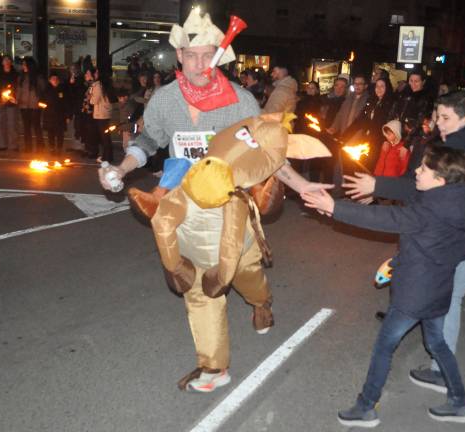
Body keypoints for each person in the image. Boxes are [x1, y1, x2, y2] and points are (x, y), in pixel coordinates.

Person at [97, 8, 331, 392]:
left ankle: (262, 302)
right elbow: (148, 141)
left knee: (243, 272)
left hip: (230, 204)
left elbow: (268, 153)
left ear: (219, 56)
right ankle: (214, 368)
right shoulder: (164, 100)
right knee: (199, 286)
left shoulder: (240, 102)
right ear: (180, 57)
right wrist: (120, 170)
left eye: (208, 55)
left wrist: (302, 186)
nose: (200, 63)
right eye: (192, 56)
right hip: (185, 205)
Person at [343, 91, 465, 386]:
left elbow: (424, 187)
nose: (439, 124)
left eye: (446, 118)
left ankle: (440, 369)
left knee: (450, 296)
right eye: (437, 116)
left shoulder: (458, 146)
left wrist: (377, 184)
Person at [302, 146, 465, 426]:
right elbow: (460, 247)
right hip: (439, 284)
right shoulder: (460, 200)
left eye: (423, 169)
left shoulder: (432, 210)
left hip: (415, 292)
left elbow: (386, 219)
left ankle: (366, 406)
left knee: (385, 346)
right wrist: (407, 257)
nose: (417, 171)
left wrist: (334, 206)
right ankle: (459, 402)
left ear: (441, 180)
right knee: (437, 343)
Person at [16, 57, 46, 153]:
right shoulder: (21, 77)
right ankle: (28, 147)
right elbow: (18, 90)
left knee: (36, 126)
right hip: (24, 105)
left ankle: (40, 146)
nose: (23, 66)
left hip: (35, 106)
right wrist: (17, 99)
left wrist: (40, 101)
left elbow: (43, 89)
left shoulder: (37, 77)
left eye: (25, 64)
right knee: (26, 127)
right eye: (23, 64)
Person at [89, 71, 116, 162]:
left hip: (101, 114)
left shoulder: (98, 85)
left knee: (104, 137)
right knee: (106, 136)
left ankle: (107, 158)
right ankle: (107, 156)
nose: (94, 74)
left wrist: (90, 98)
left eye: (96, 73)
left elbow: (94, 101)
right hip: (106, 113)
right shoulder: (106, 84)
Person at [0, 55, 19, 151]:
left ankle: (13, 145)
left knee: (12, 123)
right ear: (2, 62)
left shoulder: (15, 74)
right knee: (1, 123)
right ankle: (3, 144)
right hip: (0, 100)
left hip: (11, 101)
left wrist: (15, 97)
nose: (7, 62)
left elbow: (18, 87)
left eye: (9, 60)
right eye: (5, 60)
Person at [42, 72, 69, 154]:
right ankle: (52, 148)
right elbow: (41, 101)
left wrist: (67, 116)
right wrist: (45, 107)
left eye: (56, 79)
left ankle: (59, 148)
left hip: (60, 115)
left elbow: (66, 103)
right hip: (49, 115)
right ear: (49, 80)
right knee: (51, 133)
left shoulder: (62, 89)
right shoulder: (46, 90)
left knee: (60, 133)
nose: (55, 80)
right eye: (53, 79)